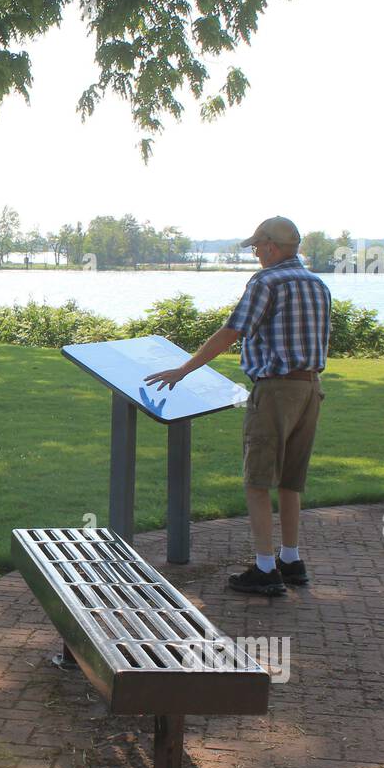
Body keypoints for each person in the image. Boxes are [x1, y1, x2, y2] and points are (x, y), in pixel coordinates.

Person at [144, 216, 332, 597]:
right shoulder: (318, 284)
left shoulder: (266, 282)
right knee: (291, 480)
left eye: (257, 247)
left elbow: (233, 330)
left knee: (258, 479)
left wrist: (184, 370)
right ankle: (291, 560)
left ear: (272, 247)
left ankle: (265, 569)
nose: (255, 254)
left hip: (276, 389)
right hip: (310, 388)